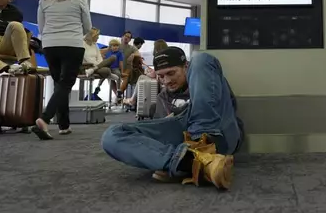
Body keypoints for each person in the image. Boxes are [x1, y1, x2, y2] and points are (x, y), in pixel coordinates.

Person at [101, 47, 243, 190]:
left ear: (186, 67)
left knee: (202, 59)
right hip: (182, 142)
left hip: (219, 132)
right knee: (112, 135)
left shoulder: (206, 79)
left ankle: (203, 144)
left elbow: (229, 106)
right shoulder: (162, 98)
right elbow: (161, 138)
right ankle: (190, 162)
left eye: (171, 73)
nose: (167, 81)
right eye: (161, 76)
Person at [32, 0, 92, 140]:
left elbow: (41, 26)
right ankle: (44, 118)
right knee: (65, 83)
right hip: (72, 44)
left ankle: (64, 125)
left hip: (50, 45)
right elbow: (88, 26)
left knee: (60, 83)